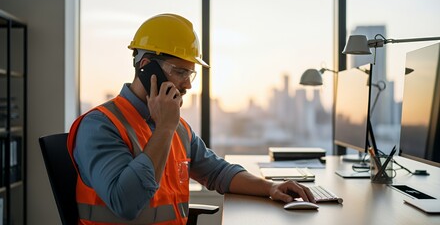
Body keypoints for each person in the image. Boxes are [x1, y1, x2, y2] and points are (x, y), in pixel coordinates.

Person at [67, 13, 315, 225]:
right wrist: (163, 128)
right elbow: (126, 202)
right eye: (180, 72)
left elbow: (217, 172)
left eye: (190, 74)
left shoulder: (177, 127)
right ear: (146, 67)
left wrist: (270, 188)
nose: (187, 85)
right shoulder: (101, 125)